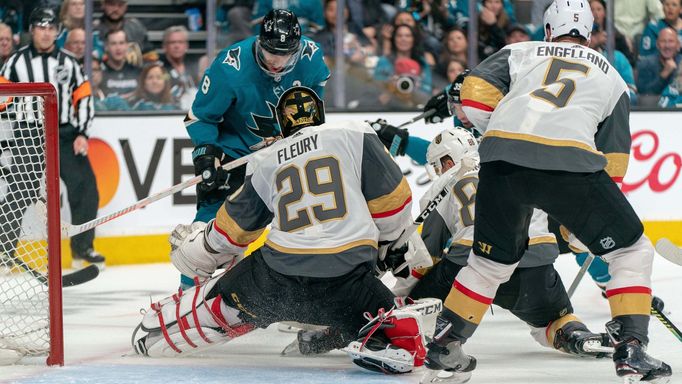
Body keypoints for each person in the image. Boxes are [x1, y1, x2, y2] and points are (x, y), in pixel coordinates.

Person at [422, 1, 672, 383]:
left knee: (490, 263)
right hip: (569, 166)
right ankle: (632, 348)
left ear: (548, 30)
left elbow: (472, 95)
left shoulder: (522, 51)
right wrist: (585, 227)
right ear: (589, 35)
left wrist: (505, 127)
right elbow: (614, 160)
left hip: (500, 162)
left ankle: (444, 343)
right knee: (630, 249)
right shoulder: (612, 76)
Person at [132, 87, 432, 374]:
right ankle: (372, 333)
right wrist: (387, 245)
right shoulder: (355, 132)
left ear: (281, 122)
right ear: (320, 113)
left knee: (225, 301)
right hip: (346, 279)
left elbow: (232, 233)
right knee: (391, 318)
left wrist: (199, 248)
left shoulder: (266, 158)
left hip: (276, 277)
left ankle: (158, 331)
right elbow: (394, 203)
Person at [388, 127, 611, 359]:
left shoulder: (444, 183)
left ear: (446, 161)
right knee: (555, 320)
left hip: (470, 264)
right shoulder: (512, 164)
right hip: (533, 264)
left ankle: (402, 334)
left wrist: (402, 295)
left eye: (437, 165)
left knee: (418, 306)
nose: (438, 171)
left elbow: (425, 255)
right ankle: (575, 335)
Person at [0, 7, 104, 267]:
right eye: (41, 27)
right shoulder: (15, 62)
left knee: (85, 188)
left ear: (58, 32)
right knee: (19, 192)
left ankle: (82, 249)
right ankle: (4, 250)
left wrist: (82, 133)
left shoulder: (69, 62)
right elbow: (2, 101)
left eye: (51, 28)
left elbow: (84, 98)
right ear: (32, 30)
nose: (46, 33)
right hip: (29, 134)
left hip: (65, 135)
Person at [159, 26, 197, 110]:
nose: (177, 46)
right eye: (172, 42)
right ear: (164, 46)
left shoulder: (194, 66)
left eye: (180, 42)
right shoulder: (158, 68)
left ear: (186, 46)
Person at [637, 27, 682, 97]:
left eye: (671, 41)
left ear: (678, 45)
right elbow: (644, 95)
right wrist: (664, 74)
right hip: (654, 107)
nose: (667, 45)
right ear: (657, 45)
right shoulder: (645, 64)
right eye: (663, 41)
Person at [100, 28, 140, 98]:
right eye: (113, 43)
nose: (118, 48)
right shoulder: (99, 72)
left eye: (121, 43)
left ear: (127, 46)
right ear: (106, 47)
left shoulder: (137, 72)